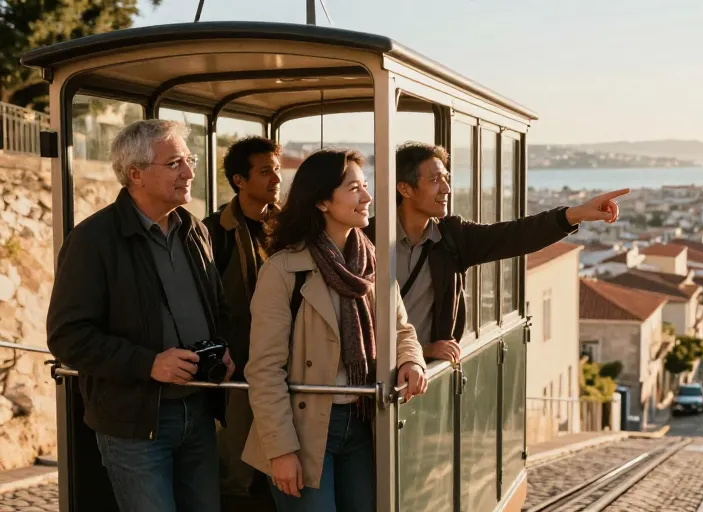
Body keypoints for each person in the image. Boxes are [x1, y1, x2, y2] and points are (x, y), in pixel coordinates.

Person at [46, 119, 234, 512]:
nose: (189, 173)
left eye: (190, 160)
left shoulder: (194, 230)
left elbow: (219, 307)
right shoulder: (93, 240)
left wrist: (225, 348)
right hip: (134, 424)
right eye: (175, 163)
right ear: (136, 174)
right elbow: (68, 336)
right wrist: (149, 363)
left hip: (199, 410)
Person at [242, 148, 428, 512]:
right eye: (355, 189)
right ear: (322, 202)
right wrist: (281, 450)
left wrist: (411, 360)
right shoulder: (282, 271)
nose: (367, 197)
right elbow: (264, 370)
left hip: (363, 421)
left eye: (365, 186)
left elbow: (401, 329)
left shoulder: (372, 262)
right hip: (304, 428)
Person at [365, 142, 628, 363]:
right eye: (435, 180)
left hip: (424, 384)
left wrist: (575, 214)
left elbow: (515, 235)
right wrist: (422, 351)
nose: (446, 188)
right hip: (370, 382)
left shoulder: (452, 238)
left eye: (446, 178)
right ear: (405, 189)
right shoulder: (366, 240)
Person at [203, 136, 282, 503]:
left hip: (287, 365)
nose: (276, 178)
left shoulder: (292, 227)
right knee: (238, 470)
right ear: (239, 180)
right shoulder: (212, 232)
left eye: (277, 169)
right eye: (265, 171)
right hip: (237, 371)